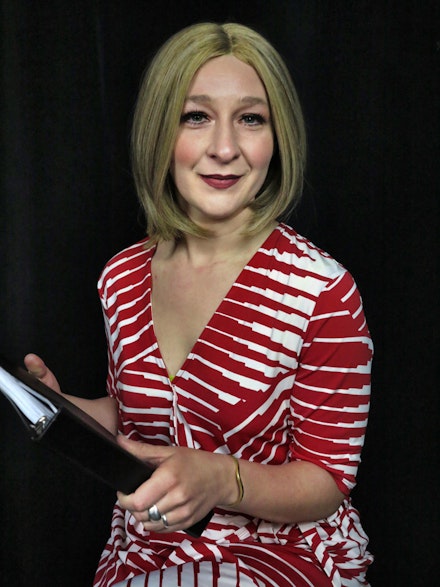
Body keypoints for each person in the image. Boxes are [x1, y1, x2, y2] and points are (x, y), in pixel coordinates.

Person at [25, 22, 374, 587]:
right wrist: (65, 412)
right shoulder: (122, 277)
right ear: (160, 131)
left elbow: (327, 481)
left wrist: (221, 480)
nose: (225, 148)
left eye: (251, 119)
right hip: (145, 549)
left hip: (279, 554)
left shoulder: (322, 291)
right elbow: (138, 415)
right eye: (196, 116)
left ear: (277, 137)